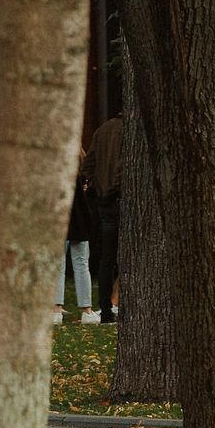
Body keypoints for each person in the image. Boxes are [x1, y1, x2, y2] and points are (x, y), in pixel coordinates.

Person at [87, 106, 124, 325]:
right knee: (126, 256)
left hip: (104, 201)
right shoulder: (128, 132)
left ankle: (106, 309)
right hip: (119, 198)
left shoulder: (102, 130)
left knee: (107, 258)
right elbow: (121, 167)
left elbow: (88, 164)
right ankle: (116, 304)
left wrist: (98, 188)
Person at [54, 149, 96, 325]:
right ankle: (86, 310)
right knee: (81, 263)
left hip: (60, 218)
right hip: (79, 220)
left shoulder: (56, 170)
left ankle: (56, 309)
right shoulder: (81, 168)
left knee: (58, 264)